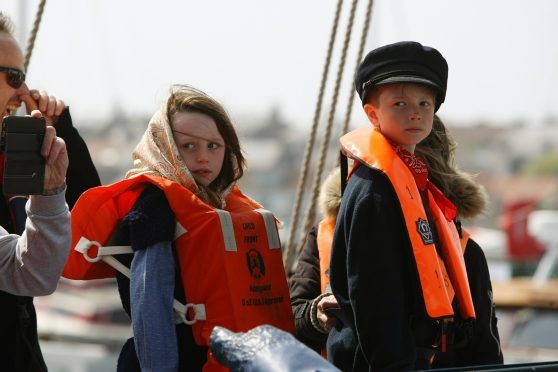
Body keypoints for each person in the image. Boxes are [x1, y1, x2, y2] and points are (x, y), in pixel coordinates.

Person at [63, 84, 295, 371]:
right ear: (165, 149)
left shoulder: (222, 205)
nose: (203, 157)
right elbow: (150, 301)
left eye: (213, 146)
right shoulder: (156, 205)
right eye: (188, 146)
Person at [325, 41, 500, 371]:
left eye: (424, 103)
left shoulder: (415, 187)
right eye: (400, 103)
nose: (415, 112)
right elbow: (372, 294)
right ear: (372, 114)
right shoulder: (374, 191)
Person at [290, 116, 503, 366]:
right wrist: (317, 313)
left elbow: (484, 354)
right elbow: (293, 317)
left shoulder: (466, 253)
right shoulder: (325, 236)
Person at [0, 12, 82, 372]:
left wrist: (59, 130)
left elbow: (84, 216)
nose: (23, 91)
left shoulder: (11, 154)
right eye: (13, 75)